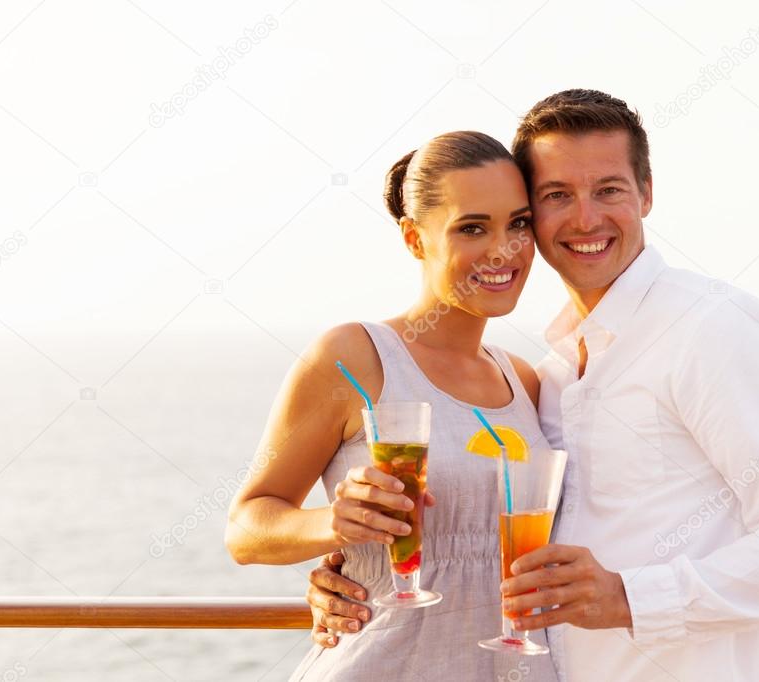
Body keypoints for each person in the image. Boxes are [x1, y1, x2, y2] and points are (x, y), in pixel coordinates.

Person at [307, 89, 759, 681]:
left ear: (646, 194)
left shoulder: (711, 326)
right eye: (556, 196)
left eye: (609, 190)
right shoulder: (547, 375)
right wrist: (353, 571)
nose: (585, 218)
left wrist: (627, 598)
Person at [224, 131, 560, 680]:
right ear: (414, 238)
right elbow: (246, 529)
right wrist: (335, 525)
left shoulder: (525, 380)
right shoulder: (354, 357)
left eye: (519, 224)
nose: (505, 249)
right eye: (472, 227)